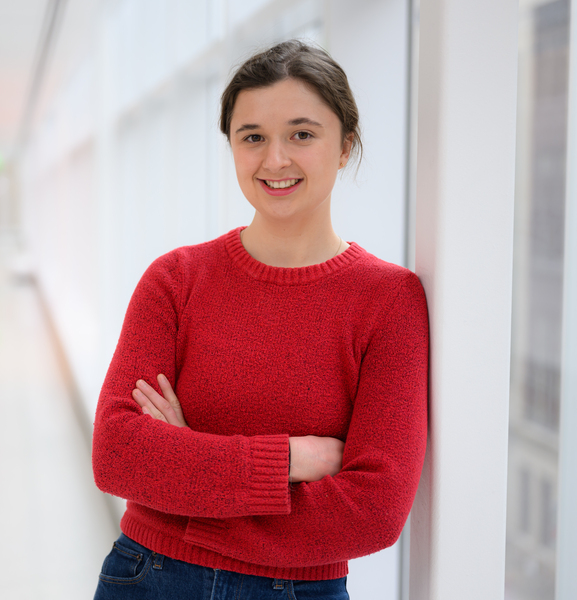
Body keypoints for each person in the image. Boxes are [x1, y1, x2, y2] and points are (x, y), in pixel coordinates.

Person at [91, 40, 428, 600]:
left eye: (302, 134)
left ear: (345, 146)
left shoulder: (389, 300)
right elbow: (118, 453)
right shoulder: (175, 279)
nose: (275, 160)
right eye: (253, 137)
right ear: (231, 146)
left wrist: (188, 481)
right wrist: (294, 459)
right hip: (147, 578)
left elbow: (373, 512)